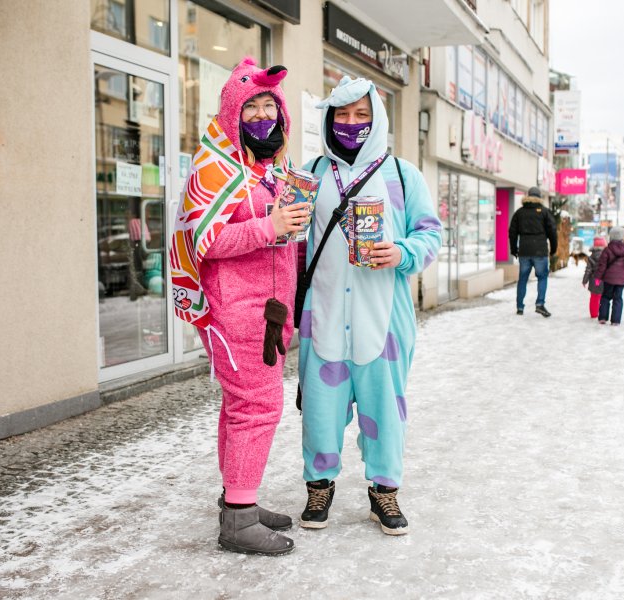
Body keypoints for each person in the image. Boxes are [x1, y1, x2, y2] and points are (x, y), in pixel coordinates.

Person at [169, 58, 311, 556]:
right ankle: (239, 522)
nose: (261, 115)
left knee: (241, 407)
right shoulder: (214, 166)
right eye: (250, 106)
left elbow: (280, 240)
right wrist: (268, 229)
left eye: (269, 105)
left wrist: (291, 232)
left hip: (269, 307)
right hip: (234, 308)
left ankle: (238, 503)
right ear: (232, 112)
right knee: (259, 406)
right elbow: (203, 240)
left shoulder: (276, 170)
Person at [296, 76, 441, 536]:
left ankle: (384, 492)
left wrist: (402, 252)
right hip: (323, 317)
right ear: (329, 119)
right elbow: (289, 245)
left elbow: (431, 234)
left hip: (384, 322)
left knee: (385, 410)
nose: (352, 123)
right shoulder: (311, 173)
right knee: (321, 410)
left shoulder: (402, 175)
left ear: (376, 118)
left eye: (362, 114)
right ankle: (319, 485)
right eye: (343, 114)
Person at [509, 186, 558, 317]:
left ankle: (519, 307)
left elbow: (512, 232)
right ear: (539, 197)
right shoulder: (544, 212)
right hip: (540, 251)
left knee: (523, 279)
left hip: (524, 251)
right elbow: (552, 231)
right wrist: (553, 249)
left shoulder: (519, 213)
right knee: (542, 277)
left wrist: (514, 249)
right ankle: (540, 304)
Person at [593, 226, 624, 325]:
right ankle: (616, 320)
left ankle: (603, 318)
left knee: (605, 297)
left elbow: (602, 266)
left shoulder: (607, 250)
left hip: (609, 279)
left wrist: (598, 277)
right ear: (622, 237)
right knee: (618, 298)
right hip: (621, 279)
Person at [582, 236, 606, 318]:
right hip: (604, 280)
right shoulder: (607, 256)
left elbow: (588, 270)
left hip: (594, 280)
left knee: (594, 298)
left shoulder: (591, 257)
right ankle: (603, 314)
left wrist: (584, 281)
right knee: (603, 298)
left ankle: (593, 314)